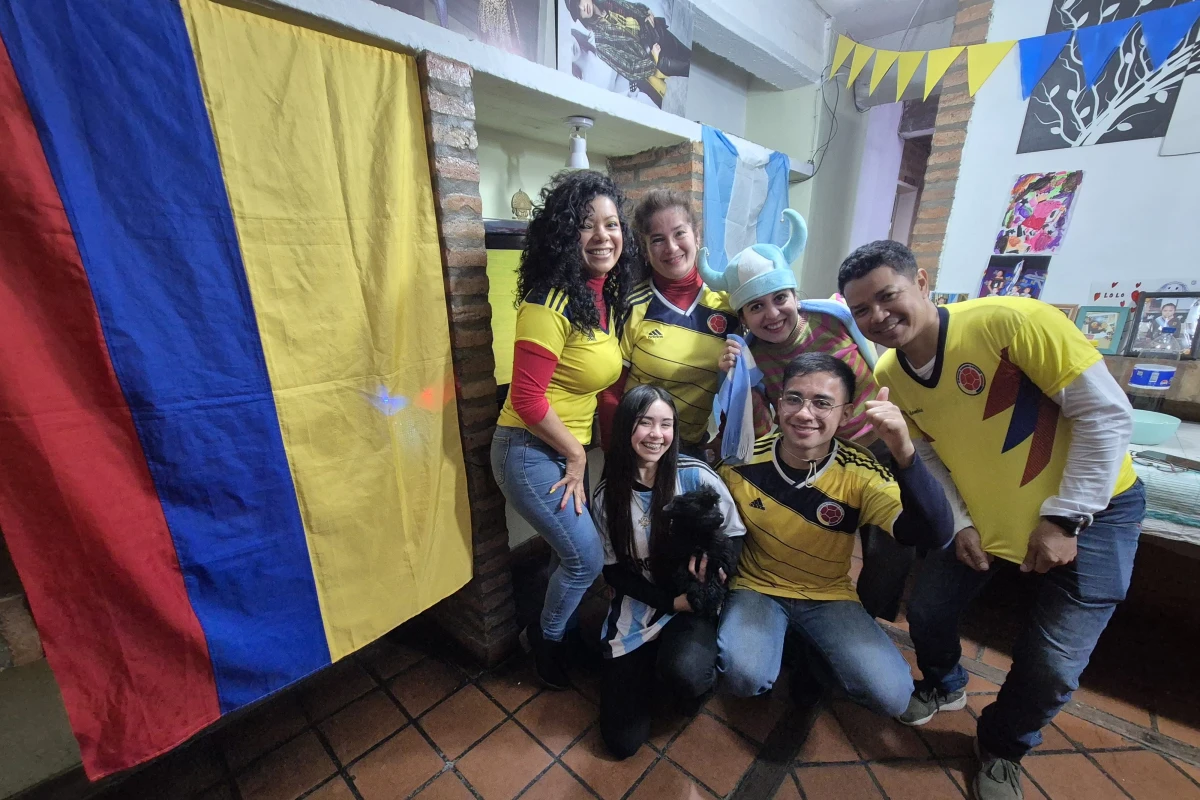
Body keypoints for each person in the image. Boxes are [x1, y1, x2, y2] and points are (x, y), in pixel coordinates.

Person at [839, 240, 1145, 800]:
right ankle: (945, 683)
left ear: (922, 282)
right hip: (983, 517)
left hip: (1093, 514)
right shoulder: (890, 371)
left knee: (1052, 664)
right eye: (862, 310)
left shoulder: (1013, 322)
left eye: (888, 297)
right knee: (928, 611)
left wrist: (1067, 520)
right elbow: (928, 450)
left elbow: (1104, 412)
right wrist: (957, 522)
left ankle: (1002, 745)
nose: (878, 317)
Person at [715, 353, 954, 718]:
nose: (804, 413)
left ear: (845, 414)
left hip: (827, 595)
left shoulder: (860, 472)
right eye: (794, 399)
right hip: (756, 589)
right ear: (779, 406)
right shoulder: (741, 463)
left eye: (822, 403)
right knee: (745, 677)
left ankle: (810, 651)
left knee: (893, 695)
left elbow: (933, 533)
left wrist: (905, 454)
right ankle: (785, 644)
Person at [491, 171, 638, 689]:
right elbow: (527, 398)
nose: (603, 236)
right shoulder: (548, 301)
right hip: (528, 450)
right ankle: (548, 644)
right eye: (586, 225)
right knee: (584, 558)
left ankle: (555, 624)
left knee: (572, 551)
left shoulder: (597, 298)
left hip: (555, 446)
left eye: (612, 224)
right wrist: (577, 455)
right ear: (562, 233)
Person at [592, 385, 745, 758]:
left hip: (692, 600)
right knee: (622, 742)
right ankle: (646, 665)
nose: (657, 435)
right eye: (645, 423)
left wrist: (711, 574)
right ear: (626, 426)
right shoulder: (607, 496)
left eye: (666, 424)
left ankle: (688, 672)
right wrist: (667, 602)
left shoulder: (696, 477)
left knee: (686, 675)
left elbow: (735, 535)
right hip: (644, 601)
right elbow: (614, 573)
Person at [708, 212, 880, 442]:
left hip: (879, 442)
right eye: (756, 306)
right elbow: (759, 431)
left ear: (795, 297)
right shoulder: (752, 359)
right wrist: (738, 378)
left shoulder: (835, 320)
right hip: (813, 461)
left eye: (780, 298)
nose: (772, 314)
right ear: (744, 319)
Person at [598, 190, 738, 456]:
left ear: (697, 235)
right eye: (658, 239)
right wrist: (614, 454)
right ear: (646, 248)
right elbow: (610, 391)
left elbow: (738, 384)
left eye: (679, 233)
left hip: (692, 448)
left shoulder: (728, 306)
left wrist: (723, 434)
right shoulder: (632, 305)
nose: (671, 247)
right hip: (636, 446)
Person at [567, 0, 690, 106]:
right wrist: (653, 59)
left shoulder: (610, 4)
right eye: (579, 11)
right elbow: (630, 70)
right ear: (581, 18)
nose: (583, 7)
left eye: (579, 2)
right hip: (656, 59)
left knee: (690, 56)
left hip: (658, 33)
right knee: (689, 68)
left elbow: (634, 8)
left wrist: (647, 12)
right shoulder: (601, 43)